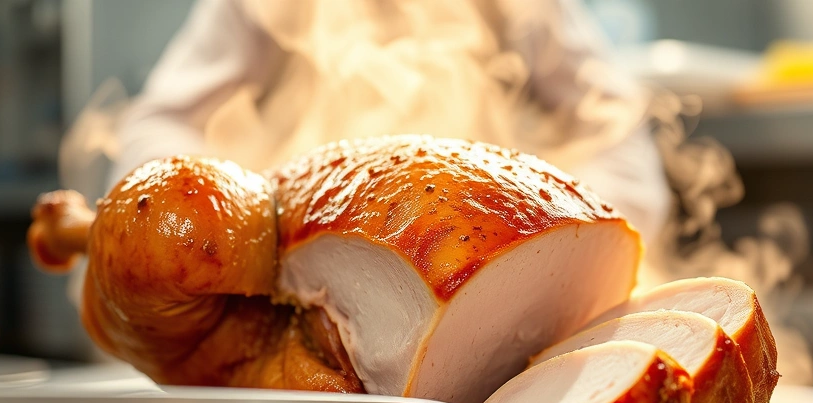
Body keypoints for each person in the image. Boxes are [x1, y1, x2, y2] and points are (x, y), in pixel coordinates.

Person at [76, 0, 672, 244]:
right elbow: (162, 126)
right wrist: (226, 230)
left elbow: (613, 123)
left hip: (482, 284)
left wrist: (564, 243)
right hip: (298, 289)